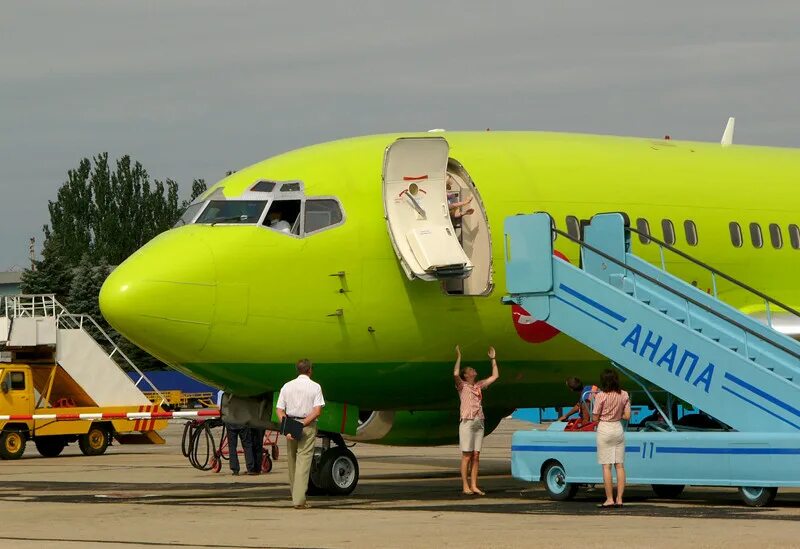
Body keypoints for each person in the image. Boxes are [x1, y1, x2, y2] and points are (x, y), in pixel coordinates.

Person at [275, 358, 325, 509]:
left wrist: (287, 427)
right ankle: (299, 500)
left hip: (290, 424)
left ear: (298, 370)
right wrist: (302, 424)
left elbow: (279, 410)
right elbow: (317, 411)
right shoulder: (315, 387)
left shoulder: (287, 386)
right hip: (306, 425)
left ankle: (294, 494)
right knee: (304, 461)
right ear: (310, 370)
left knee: (292, 460)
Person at [453, 345, 499, 496]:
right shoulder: (462, 386)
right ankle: (465, 485)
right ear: (466, 375)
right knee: (466, 455)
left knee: (476, 455)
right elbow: (455, 373)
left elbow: (495, 376)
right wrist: (459, 356)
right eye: (471, 370)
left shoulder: (478, 385)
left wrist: (493, 359)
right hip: (467, 421)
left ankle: (474, 485)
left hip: (479, 421)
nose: (474, 371)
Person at [592, 368, 631, 508]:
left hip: (605, 428)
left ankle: (609, 499)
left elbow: (595, 416)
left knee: (606, 466)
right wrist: (618, 415)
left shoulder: (601, 396)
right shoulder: (624, 394)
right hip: (618, 428)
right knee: (619, 465)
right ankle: (620, 498)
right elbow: (627, 416)